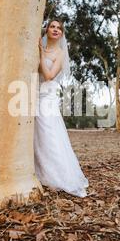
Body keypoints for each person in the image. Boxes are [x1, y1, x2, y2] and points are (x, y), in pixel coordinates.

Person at [34, 18, 88, 198]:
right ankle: (38, 172)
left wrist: (41, 53)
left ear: (62, 33)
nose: (56, 30)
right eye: (52, 26)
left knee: (49, 135)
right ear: (47, 29)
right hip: (30, 95)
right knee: (36, 138)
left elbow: (49, 75)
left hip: (46, 98)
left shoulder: (60, 53)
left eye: (59, 28)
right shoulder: (36, 45)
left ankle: (58, 177)